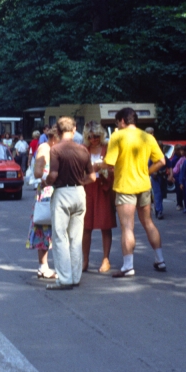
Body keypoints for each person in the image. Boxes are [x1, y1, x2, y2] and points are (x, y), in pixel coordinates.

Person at [103, 107, 167, 277]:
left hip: (125, 186)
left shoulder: (117, 136)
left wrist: (97, 166)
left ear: (122, 121)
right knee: (148, 223)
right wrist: (147, 172)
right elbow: (161, 161)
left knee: (127, 227)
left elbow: (109, 163)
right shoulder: (147, 137)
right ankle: (160, 260)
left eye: (118, 122)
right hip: (144, 185)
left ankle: (128, 266)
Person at [44, 117, 96, 290]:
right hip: (79, 193)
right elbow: (92, 177)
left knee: (60, 237)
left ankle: (65, 279)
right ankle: (75, 276)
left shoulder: (56, 150)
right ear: (74, 130)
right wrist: (81, 181)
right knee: (76, 238)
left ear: (57, 132)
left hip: (62, 193)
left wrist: (45, 182)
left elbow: (53, 175)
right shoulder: (83, 150)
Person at [82, 122, 116, 273]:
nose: (93, 139)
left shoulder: (108, 148)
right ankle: (85, 260)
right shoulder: (84, 149)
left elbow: (114, 166)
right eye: (90, 137)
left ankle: (105, 259)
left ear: (101, 135)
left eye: (96, 136)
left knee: (105, 224)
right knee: (85, 226)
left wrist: (102, 168)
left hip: (104, 187)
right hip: (88, 187)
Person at [27, 128, 59, 279]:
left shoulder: (52, 148)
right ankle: (43, 266)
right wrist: (51, 178)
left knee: (53, 229)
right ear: (54, 138)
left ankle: (47, 266)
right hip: (47, 192)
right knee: (44, 227)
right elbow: (38, 172)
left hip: (54, 191)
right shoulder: (45, 148)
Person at [145, 127, 166, 220]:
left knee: (160, 193)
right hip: (151, 173)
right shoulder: (144, 144)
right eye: (150, 133)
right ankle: (158, 210)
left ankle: (158, 208)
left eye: (153, 133)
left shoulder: (154, 143)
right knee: (156, 193)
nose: (152, 135)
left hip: (159, 172)